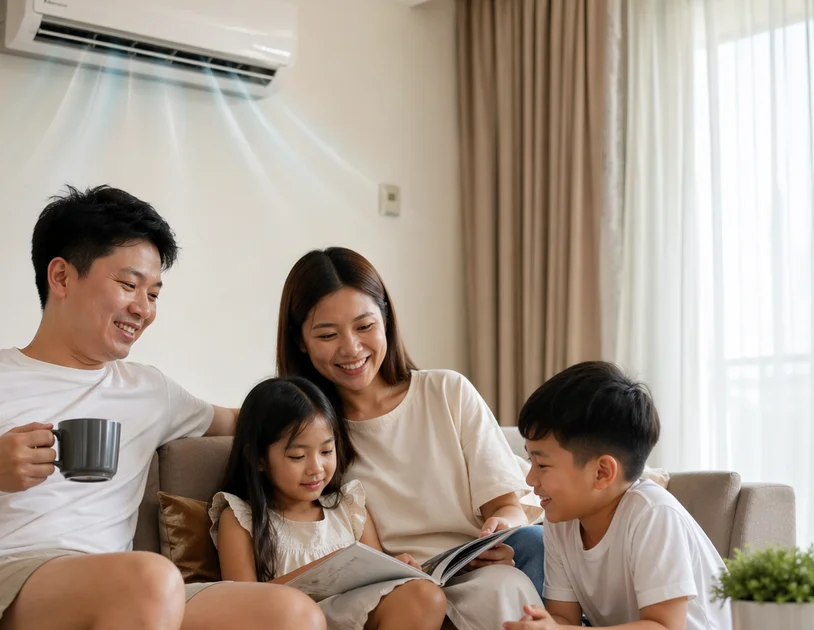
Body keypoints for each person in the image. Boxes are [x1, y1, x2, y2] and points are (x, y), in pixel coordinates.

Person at [0, 185, 325, 630]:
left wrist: (351, 400)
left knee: (291, 614)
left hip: (116, 593)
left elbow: (257, 421)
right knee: (149, 579)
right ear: (62, 277)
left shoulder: (150, 391)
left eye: (153, 294)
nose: (145, 309)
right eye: (129, 286)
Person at [275, 246, 544, 629]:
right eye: (328, 334)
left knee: (518, 567)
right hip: (392, 593)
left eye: (364, 326)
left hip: (474, 573)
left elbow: (507, 506)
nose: (351, 348)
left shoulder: (447, 392)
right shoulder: (307, 434)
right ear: (300, 340)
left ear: (385, 319)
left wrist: (499, 531)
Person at [503, 361, 731, 630]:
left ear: (602, 472)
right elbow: (564, 619)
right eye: (529, 460)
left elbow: (665, 627)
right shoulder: (560, 520)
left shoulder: (652, 514)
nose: (530, 479)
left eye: (542, 465)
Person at [211, 376, 447, 630]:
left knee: (425, 595)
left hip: (354, 617)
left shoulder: (348, 507)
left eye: (326, 451)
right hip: (292, 621)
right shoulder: (240, 518)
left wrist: (398, 567)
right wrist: (323, 568)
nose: (316, 468)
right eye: (298, 456)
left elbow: (378, 576)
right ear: (258, 459)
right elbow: (243, 603)